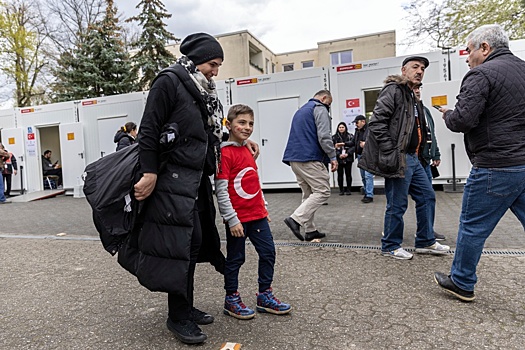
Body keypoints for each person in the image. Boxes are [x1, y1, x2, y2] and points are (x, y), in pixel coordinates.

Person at [117, 33, 258, 345]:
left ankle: (184, 306)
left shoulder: (202, 91)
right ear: (197, 59)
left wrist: (240, 140)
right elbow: (150, 129)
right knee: (180, 247)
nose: (216, 71)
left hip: (195, 182)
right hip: (172, 182)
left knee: (192, 245)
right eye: (212, 64)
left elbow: (212, 130)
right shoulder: (169, 82)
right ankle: (177, 316)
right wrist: (150, 172)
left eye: (219, 65)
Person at [434, 24, 525, 302]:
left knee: (473, 226)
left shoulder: (480, 74)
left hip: (495, 166)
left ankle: (461, 281)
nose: (467, 58)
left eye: (469, 51)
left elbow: (462, 120)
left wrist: (449, 114)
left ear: (485, 48)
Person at [358, 56, 450, 260]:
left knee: (427, 197)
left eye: (423, 68)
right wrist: (391, 151)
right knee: (397, 203)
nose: (420, 71)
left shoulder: (412, 96)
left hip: (414, 158)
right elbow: (377, 122)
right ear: (404, 70)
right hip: (400, 157)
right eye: (415, 67)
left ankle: (425, 241)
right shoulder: (394, 90)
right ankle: (390, 245)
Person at [215, 104, 291, 320]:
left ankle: (265, 296)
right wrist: (232, 220)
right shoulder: (224, 154)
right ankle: (231, 299)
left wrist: (263, 207)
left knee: (268, 253)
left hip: (257, 216)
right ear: (229, 125)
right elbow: (221, 190)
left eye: (250, 124)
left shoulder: (248, 149)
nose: (247, 127)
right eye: (241, 123)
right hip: (238, 220)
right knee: (236, 259)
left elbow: (253, 182)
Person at [282, 90, 338, 242]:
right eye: (329, 103)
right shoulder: (319, 108)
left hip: (294, 158)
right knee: (323, 191)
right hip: (310, 158)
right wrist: (332, 156)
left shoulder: (301, 110)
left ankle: (310, 230)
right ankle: (295, 219)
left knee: (308, 195)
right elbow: (324, 136)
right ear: (324, 98)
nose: (329, 107)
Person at [413, 84, 446, 241]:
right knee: (397, 201)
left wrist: (436, 153)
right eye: (414, 89)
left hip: (424, 161)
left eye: (419, 88)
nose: (418, 91)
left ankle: (427, 231)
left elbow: (431, 134)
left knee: (428, 197)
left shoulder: (425, 110)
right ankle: (391, 231)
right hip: (409, 162)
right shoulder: (404, 111)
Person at [353, 115, 374, 203]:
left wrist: (366, 143)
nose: (356, 125)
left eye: (357, 123)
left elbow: (375, 141)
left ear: (363, 122)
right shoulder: (357, 131)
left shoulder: (370, 129)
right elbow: (353, 142)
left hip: (368, 155)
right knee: (363, 176)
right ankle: (366, 192)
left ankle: (369, 195)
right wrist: (343, 144)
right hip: (360, 156)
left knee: (368, 176)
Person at [332, 122, 355, 195]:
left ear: (345, 128)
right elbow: (332, 148)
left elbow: (353, 146)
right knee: (340, 174)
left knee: (348, 174)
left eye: (343, 127)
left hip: (348, 158)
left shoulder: (350, 136)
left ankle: (348, 189)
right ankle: (341, 190)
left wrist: (347, 154)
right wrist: (339, 155)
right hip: (339, 159)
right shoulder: (334, 137)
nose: (341, 129)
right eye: (340, 127)